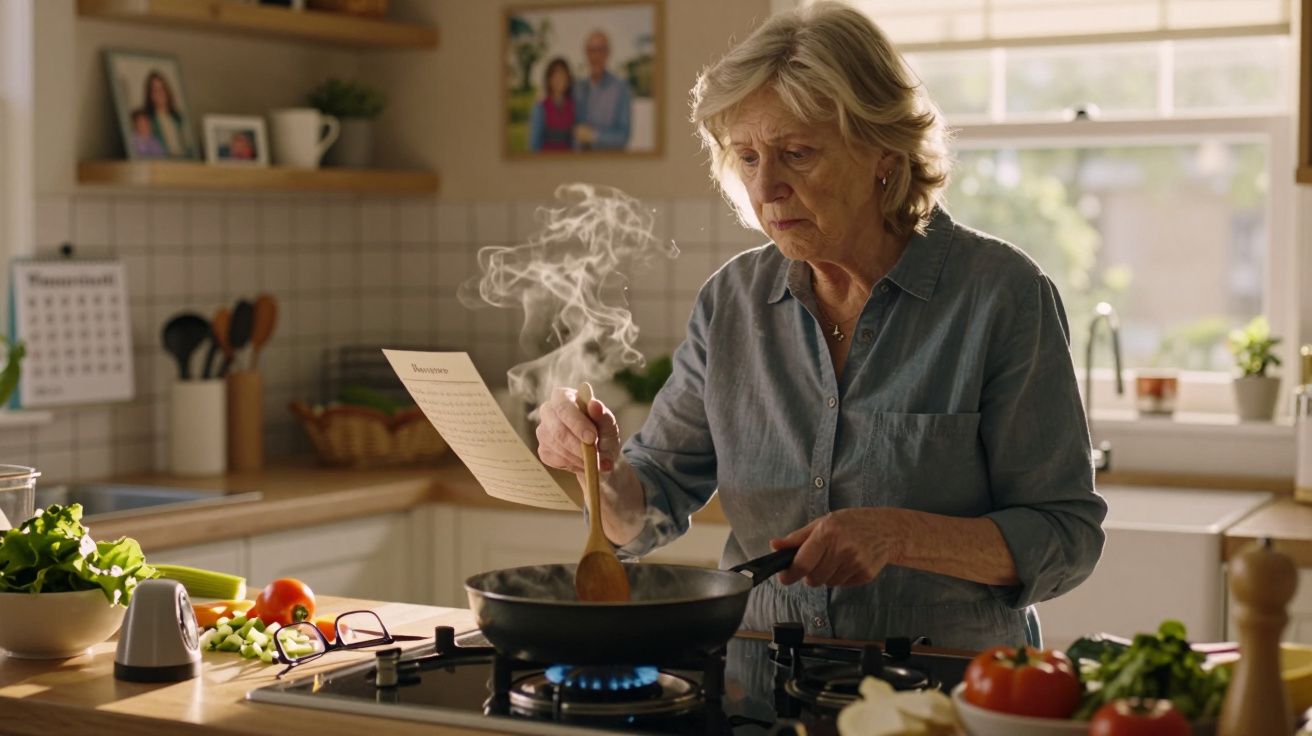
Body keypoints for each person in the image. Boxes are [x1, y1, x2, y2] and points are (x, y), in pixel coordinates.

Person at [534, 2, 1107, 651]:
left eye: (797, 153)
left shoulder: (1001, 296)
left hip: (942, 696)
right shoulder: (733, 302)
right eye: (747, 158)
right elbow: (649, 501)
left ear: (884, 154)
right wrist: (600, 468)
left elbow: (1066, 537)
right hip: (756, 696)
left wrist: (899, 535)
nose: (767, 187)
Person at [573, 30, 631, 150]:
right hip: (580, 165)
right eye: (591, 50)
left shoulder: (621, 89)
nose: (596, 56)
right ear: (586, 54)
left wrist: (594, 136)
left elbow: (623, 136)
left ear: (608, 53)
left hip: (611, 164)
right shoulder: (578, 88)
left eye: (601, 50)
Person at [140, 71, 192, 158]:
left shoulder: (178, 118)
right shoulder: (147, 120)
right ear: (150, 94)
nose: (159, 94)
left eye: (161, 89)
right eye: (155, 90)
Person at [528, 57, 576, 153]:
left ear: (568, 79)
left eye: (563, 75)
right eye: (555, 76)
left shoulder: (574, 106)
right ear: (549, 80)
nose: (559, 79)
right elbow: (534, 145)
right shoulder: (540, 108)